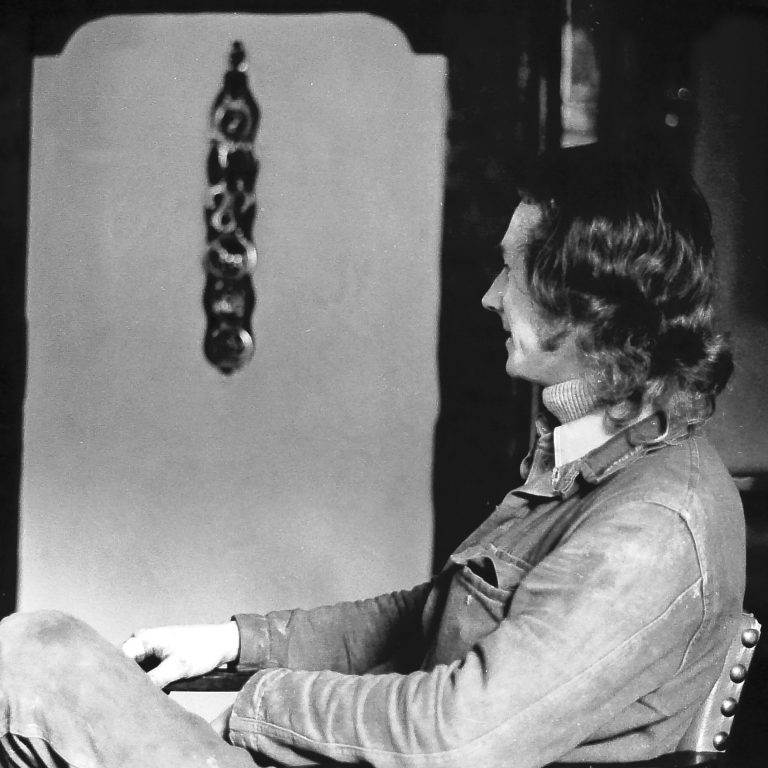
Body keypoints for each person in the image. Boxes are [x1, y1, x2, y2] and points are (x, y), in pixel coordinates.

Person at [0, 143, 745, 768]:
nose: (491, 297)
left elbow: (457, 736)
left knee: (35, 660)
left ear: (585, 300)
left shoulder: (652, 524)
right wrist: (232, 642)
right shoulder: (601, 458)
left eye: (511, 273)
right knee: (40, 650)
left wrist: (252, 704)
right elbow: (431, 614)